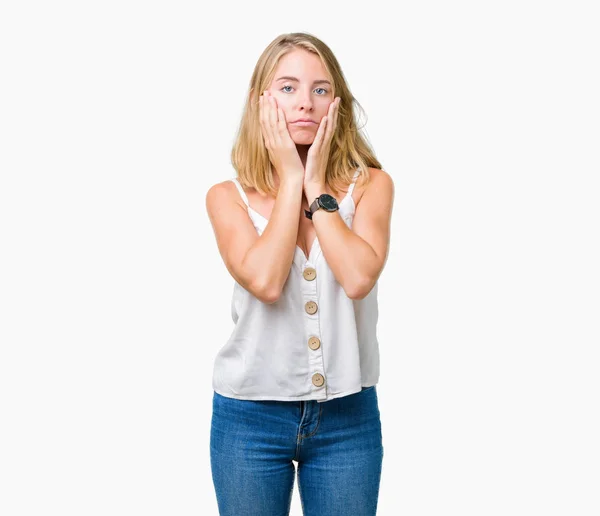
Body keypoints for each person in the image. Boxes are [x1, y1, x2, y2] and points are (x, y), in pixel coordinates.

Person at [205, 32, 394, 516]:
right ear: (260, 101)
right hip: (249, 419)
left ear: (338, 102)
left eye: (321, 89)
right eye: (287, 88)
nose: (305, 103)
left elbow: (357, 278)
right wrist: (292, 179)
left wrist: (315, 182)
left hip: (347, 419)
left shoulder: (371, 186)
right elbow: (266, 282)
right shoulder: (229, 197)